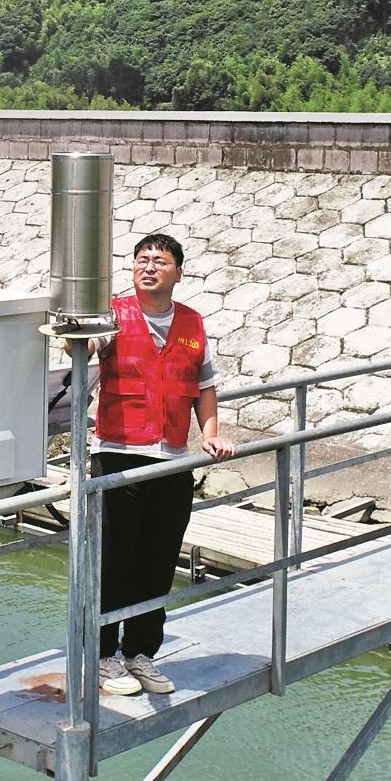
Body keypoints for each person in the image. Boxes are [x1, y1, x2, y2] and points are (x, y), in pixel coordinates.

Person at [88, 232, 235, 697]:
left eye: (160, 261)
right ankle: (103, 656)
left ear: (178, 272)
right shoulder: (112, 315)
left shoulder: (192, 322)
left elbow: (204, 386)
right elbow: (84, 350)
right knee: (114, 562)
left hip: (171, 462)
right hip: (118, 457)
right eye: (142, 259)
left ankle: (141, 653)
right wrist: (84, 337)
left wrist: (210, 433)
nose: (148, 267)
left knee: (157, 562)